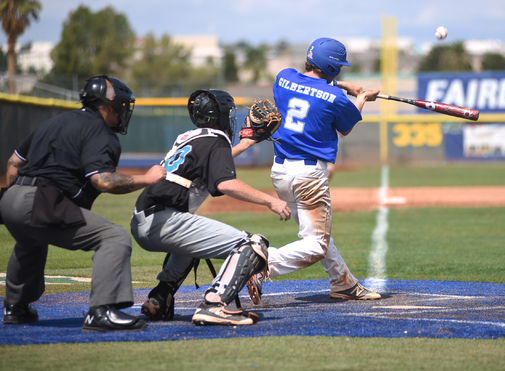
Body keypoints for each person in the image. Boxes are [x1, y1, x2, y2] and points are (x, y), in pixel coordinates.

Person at [0, 76, 166, 332]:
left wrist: (16, 199)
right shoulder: (101, 132)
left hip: (9, 199)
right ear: (107, 105)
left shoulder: (53, 121)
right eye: (122, 105)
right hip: (41, 199)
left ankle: (15, 307)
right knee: (114, 237)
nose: (124, 111)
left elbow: (13, 162)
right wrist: (148, 178)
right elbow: (103, 181)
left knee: (31, 240)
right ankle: (101, 311)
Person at [130, 89, 291, 326]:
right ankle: (215, 305)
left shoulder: (188, 137)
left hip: (144, 219)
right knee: (251, 245)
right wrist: (271, 200)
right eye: (229, 113)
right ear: (220, 116)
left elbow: (215, 163)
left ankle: (160, 296)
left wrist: (245, 144)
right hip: (165, 221)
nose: (231, 118)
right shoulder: (216, 140)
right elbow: (225, 182)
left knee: (193, 244)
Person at [246, 37, 381, 305]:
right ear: (333, 69)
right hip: (309, 177)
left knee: (315, 234)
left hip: (280, 173)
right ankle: (260, 263)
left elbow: (309, 86)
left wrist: (342, 87)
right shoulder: (335, 97)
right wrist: (362, 97)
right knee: (316, 244)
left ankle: (344, 283)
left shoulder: (284, 78)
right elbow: (345, 127)